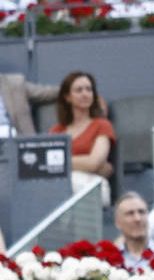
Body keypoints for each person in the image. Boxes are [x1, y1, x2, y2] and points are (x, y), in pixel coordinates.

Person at [50, 71, 116, 203]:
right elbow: (48, 167)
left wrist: (61, 162)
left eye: (89, 89)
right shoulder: (56, 131)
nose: (85, 94)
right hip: (62, 188)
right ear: (67, 97)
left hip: (92, 186)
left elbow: (93, 162)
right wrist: (86, 165)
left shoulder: (102, 125)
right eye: (79, 90)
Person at [113, 192, 154, 270]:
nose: (137, 218)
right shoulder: (110, 260)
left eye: (141, 212)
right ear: (117, 222)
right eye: (130, 213)